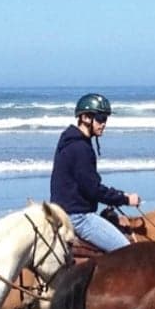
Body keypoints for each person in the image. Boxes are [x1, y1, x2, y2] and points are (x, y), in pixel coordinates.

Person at [50, 93, 140, 252]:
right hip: (78, 218)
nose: (103, 124)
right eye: (100, 118)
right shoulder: (81, 148)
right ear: (85, 117)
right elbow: (93, 189)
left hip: (61, 212)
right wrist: (125, 198)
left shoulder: (69, 141)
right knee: (128, 252)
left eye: (105, 119)